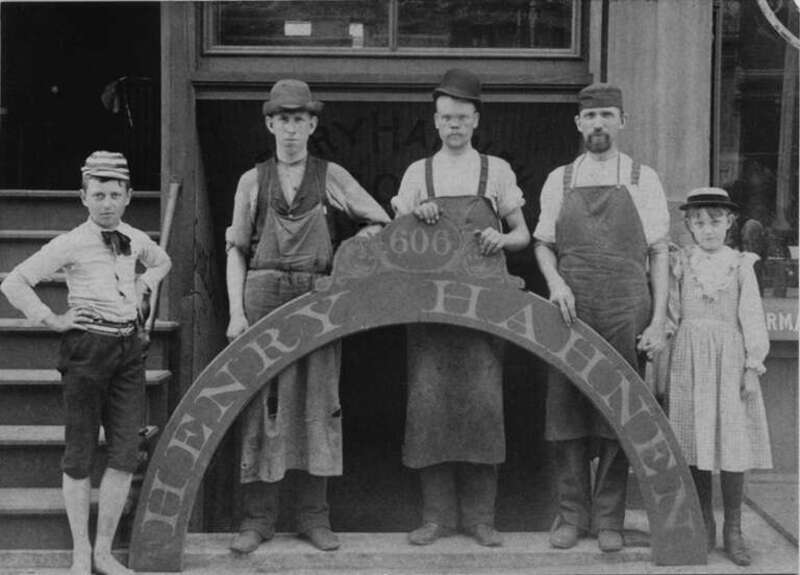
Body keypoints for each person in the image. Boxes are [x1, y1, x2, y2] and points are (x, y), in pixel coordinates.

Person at [225, 79, 390, 553]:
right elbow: (236, 249)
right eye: (283, 120)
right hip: (262, 291)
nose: (291, 129)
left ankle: (314, 518)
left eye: (300, 120)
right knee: (262, 407)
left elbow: (377, 220)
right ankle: (256, 520)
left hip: (318, 295)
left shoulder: (330, 174)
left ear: (312, 124)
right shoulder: (252, 180)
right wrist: (237, 313)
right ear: (269, 124)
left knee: (320, 403)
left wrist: (351, 251)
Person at [0, 151, 171, 575]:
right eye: (98, 194)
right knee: (79, 455)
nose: (107, 203)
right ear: (83, 196)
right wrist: (52, 319)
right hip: (86, 351)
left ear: (129, 196)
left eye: (115, 194)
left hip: (129, 352)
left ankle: (104, 553)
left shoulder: (134, 237)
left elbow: (162, 261)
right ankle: (80, 553)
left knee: (124, 454)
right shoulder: (72, 241)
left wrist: (144, 281)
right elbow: (14, 280)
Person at [391, 68, 530, 548]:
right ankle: (436, 518)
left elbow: (523, 234)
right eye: (446, 118)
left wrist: (501, 237)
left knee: (482, 411)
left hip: (484, 312)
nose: (454, 126)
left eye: (462, 118)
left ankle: (481, 520)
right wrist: (415, 214)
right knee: (428, 413)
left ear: (476, 120)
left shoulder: (497, 171)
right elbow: (394, 244)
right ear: (435, 121)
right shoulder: (417, 174)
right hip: (429, 314)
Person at [533, 83, 670, 552]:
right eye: (590, 117)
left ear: (622, 121)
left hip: (626, 306)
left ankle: (610, 518)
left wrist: (657, 321)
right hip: (572, 307)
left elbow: (659, 252)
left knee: (621, 413)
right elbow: (542, 244)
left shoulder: (641, 177)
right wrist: (555, 284)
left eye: (607, 115)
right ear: (578, 123)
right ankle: (572, 515)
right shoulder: (561, 179)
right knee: (566, 413)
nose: (598, 124)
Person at [667, 187, 772, 566]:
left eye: (715, 221)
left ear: (729, 223)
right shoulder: (682, 263)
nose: (707, 229)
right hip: (689, 361)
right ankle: (705, 523)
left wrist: (750, 367)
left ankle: (733, 528)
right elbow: (672, 313)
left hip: (729, 362)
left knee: (730, 443)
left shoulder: (740, 264)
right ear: (689, 226)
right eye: (699, 222)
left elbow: (752, 319)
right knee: (693, 440)